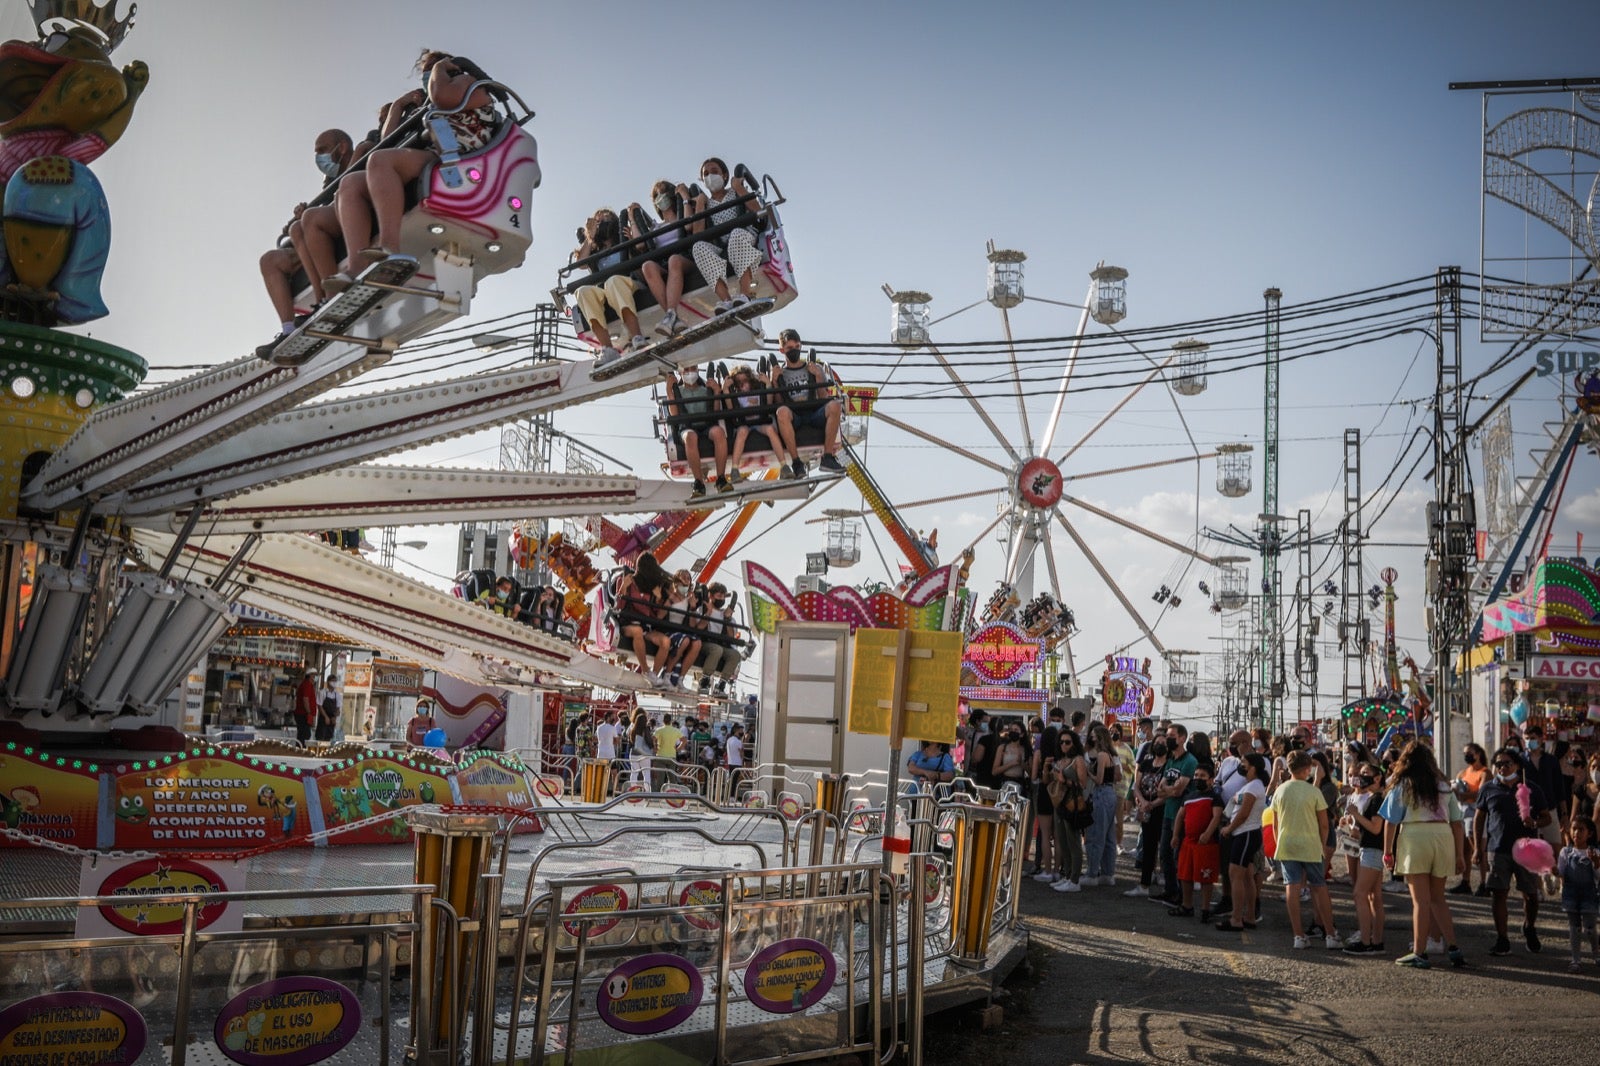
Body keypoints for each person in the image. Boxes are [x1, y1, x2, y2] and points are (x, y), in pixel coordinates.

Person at [332, 55, 506, 291]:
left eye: (428, 71)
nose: (427, 77)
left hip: (465, 158)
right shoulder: (433, 101)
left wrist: (439, 67)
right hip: (440, 153)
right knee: (351, 183)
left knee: (381, 161)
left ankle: (390, 247)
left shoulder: (468, 83)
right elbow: (387, 141)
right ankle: (355, 267)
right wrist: (398, 107)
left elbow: (442, 96)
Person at [256, 129, 359, 359]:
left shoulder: (359, 157)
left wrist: (310, 215)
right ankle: (288, 329)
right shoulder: (329, 183)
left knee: (308, 219)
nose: (318, 157)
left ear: (341, 147)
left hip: (348, 221)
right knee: (270, 260)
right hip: (324, 229)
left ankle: (328, 297)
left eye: (322, 150)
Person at [1380, 741, 1468, 968]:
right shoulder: (1443, 786)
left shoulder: (1403, 785)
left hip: (1415, 836)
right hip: (1443, 836)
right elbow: (1458, 823)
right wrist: (1460, 855)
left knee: (1420, 901)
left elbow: (1391, 821)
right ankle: (1454, 947)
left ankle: (1419, 952)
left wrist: (1388, 851)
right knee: (1438, 898)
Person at [1475, 746, 1550, 956]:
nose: (1503, 767)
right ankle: (1502, 939)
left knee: (1530, 894)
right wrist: (1477, 849)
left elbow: (1547, 816)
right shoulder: (1489, 789)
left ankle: (1530, 926)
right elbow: (1479, 818)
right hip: (1498, 848)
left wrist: (1534, 821)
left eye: (1507, 763)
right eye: (1498, 764)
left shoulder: (1530, 787)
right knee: (1499, 894)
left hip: (1526, 848)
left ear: (1517, 765)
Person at [1271, 750, 1341, 949]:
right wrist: (1321, 843)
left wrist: (1279, 843)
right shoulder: (1313, 791)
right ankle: (1330, 934)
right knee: (1319, 887)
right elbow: (1324, 824)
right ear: (1307, 769)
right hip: (1311, 845)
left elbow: (1275, 824)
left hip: (1286, 844)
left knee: (1292, 886)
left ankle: (1298, 935)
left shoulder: (1281, 790)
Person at [572, 208, 650, 369]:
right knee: (583, 292)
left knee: (613, 281)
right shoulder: (595, 249)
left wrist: (631, 242)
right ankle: (608, 348)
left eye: (606, 218)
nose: (602, 222)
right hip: (606, 290)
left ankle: (637, 337)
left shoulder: (622, 240)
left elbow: (641, 252)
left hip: (629, 283)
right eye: (598, 220)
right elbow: (581, 263)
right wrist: (589, 236)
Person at [687, 156, 762, 313]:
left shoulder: (735, 193)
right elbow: (697, 234)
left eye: (714, 172)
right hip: (722, 245)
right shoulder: (706, 204)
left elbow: (757, 210)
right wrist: (700, 203)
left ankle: (745, 294)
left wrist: (739, 188)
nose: (710, 176)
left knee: (736, 234)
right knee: (698, 247)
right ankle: (726, 300)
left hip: (744, 236)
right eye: (706, 174)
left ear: (724, 175)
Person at [767, 329, 844, 478]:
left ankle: (827, 458)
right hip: (794, 416)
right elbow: (779, 402)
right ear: (782, 350)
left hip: (814, 413)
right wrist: (775, 381)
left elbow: (823, 397)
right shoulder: (780, 373)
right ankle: (796, 463)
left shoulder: (815, 369)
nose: (794, 350)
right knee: (781, 412)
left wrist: (818, 376)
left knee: (835, 405)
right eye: (789, 348)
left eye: (797, 346)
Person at [631, 179, 694, 338]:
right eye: (657, 195)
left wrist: (685, 197)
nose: (661, 197)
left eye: (663, 193)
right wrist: (633, 218)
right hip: (664, 264)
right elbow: (639, 245)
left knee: (674, 259)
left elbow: (688, 225)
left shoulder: (680, 217)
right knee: (647, 266)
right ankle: (672, 316)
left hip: (683, 259)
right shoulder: (655, 227)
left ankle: (670, 314)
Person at [1215, 753, 1268, 931]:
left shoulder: (1254, 786)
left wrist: (1229, 829)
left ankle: (1236, 919)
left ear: (1253, 767)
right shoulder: (1251, 785)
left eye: (1244, 762)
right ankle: (1249, 917)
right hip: (1246, 834)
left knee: (1235, 874)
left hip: (1245, 834)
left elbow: (1244, 813)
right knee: (1246, 876)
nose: (1241, 765)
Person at [1340, 764, 1388, 954]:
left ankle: (1366, 940)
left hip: (1372, 850)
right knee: (1373, 896)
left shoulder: (1376, 799)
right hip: (1369, 847)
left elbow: (1376, 828)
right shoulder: (1375, 798)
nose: (1362, 777)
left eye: (1366, 774)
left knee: (1360, 893)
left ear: (1378, 778)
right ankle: (1376, 941)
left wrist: (1356, 815)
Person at [1169, 763, 1224, 921]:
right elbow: (1180, 816)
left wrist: (1207, 833)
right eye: (1197, 775)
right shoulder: (1189, 797)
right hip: (1188, 842)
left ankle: (1205, 909)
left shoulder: (1215, 797)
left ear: (1211, 780)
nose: (1198, 779)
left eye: (1202, 776)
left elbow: (1217, 817)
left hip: (1206, 844)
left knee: (1206, 877)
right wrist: (1175, 835)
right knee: (1185, 875)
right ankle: (1187, 906)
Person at [665, 365, 731, 497]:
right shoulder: (679, 392)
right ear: (681, 372)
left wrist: (717, 392)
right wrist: (669, 392)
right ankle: (698, 482)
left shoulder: (705, 390)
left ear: (697, 370)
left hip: (706, 425)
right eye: (686, 370)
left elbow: (715, 411)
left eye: (693, 369)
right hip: (687, 427)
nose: (690, 373)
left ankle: (721, 479)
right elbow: (675, 414)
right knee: (690, 436)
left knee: (719, 432)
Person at [722, 363, 796, 480]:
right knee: (742, 431)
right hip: (744, 423)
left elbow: (768, 402)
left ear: (750, 380)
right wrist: (726, 389)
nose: (742, 384)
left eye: (745, 380)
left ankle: (784, 465)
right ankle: (735, 469)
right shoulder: (736, 396)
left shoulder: (758, 392)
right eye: (738, 382)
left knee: (770, 429)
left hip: (760, 422)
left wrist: (767, 384)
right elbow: (731, 407)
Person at [1152, 723, 1197, 906]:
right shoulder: (1171, 760)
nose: (1169, 739)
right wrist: (1170, 790)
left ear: (1182, 738)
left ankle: (1181, 895)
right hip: (1168, 813)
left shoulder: (1189, 761)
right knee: (1164, 854)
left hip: (1182, 815)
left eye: (1172, 736)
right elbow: (1160, 789)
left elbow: (1179, 791)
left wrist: (1168, 790)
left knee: (1179, 856)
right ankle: (1169, 891)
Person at [1124, 731, 1170, 898]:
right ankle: (1144, 883)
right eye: (1158, 742)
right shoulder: (1145, 763)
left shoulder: (1169, 765)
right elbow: (1136, 785)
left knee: (1165, 848)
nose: (1160, 745)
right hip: (1145, 809)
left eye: (1164, 743)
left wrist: (1153, 804)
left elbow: (1167, 792)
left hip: (1162, 810)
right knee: (1148, 847)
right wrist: (1143, 802)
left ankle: (1167, 882)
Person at [615, 555, 672, 686]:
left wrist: (658, 600)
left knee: (665, 641)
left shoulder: (651, 588)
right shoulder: (626, 581)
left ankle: (654, 674)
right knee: (637, 631)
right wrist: (623, 588)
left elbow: (655, 615)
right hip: (627, 624)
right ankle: (645, 670)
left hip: (645, 625)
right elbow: (619, 607)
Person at [1557, 815, 1600, 973]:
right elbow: (1561, 872)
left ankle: (1596, 953)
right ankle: (1576, 959)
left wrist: (1596, 863)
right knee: (1574, 927)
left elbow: (1598, 877)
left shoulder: (1594, 852)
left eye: (1581, 829)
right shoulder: (1565, 852)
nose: (1577, 833)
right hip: (1571, 895)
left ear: (1589, 833)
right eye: (1574, 829)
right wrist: (1554, 871)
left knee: (1589, 928)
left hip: (1589, 895)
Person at [1051, 728, 1091, 893]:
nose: (1064, 745)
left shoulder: (1078, 760)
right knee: (1062, 841)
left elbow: (1082, 784)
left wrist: (1064, 780)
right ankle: (1067, 876)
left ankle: (1075, 879)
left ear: (1074, 743)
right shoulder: (1060, 761)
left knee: (1073, 842)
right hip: (1059, 803)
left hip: (1072, 803)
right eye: (1061, 742)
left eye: (1067, 742)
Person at [1083, 723, 1122, 886]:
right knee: (1109, 837)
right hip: (1111, 793)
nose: (1091, 737)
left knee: (1095, 836)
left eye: (1093, 735)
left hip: (1100, 794)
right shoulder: (1112, 754)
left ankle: (1092, 874)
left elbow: (1098, 779)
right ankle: (1108, 873)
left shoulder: (1101, 756)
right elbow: (1118, 776)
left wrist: (1088, 772)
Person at [1451, 742, 1490, 894]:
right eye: (1465, 753)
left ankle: (1484, 882)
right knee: (1466, 848)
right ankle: (1465, 881)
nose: (1467, 756)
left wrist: (1463, 795)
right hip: (1463, 811)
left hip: (1477, 813)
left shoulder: (1485, 773)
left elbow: (1482, 793)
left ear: (1478, 754)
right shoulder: (1462, 773)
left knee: (1479, 847)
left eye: (1470, 753)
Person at [1030, 726, 1064, 882]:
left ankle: (1048, 871)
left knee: (1044, 834)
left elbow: (1033, 777)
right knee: (1058, 836)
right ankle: (1057, 870)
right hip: (1058, 794)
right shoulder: (1062, 755)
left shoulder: (1039, 753)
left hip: (1044, 793)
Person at [629, 712, 656, 788]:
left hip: (633, 753)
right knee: (646, 773)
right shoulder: (645, 729)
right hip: (644, 754)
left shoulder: (633, 730)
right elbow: (649, 741)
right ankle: (647, 793)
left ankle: (632, 791)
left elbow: (631, 742)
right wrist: (652, 747)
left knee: (634, 773)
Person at [293, 669, 318, 745]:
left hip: (304, 714)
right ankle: (301, 751)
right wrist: (309, 712)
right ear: (310, 676)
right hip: (303, 714)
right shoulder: (307, 684)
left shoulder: (308, 685)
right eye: (314, 675)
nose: (316, 677)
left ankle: (300, 750)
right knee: (304, 735)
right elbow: (305, 699)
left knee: (304, 735)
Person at [316, 673, 341, 743]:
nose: (334, 683)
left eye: (335, 681)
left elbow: (338, 709)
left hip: (332, 719)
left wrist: (335, 717)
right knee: (320, 738)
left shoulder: (337, 695)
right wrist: (326, 717)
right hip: (323, 718)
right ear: (328, 682)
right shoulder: (322, 692)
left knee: (328, 738)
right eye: (333, 681)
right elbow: (320, 706)